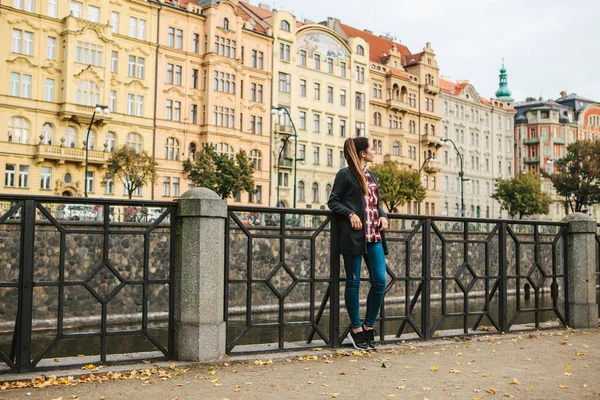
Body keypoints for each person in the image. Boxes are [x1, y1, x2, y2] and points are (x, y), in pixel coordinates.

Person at [328, 137, 388, 350]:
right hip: (354, 237)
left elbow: (375, 203)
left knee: (380, 281)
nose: (374, 151)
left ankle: (369, 325)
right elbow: (333, 201)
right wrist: (351, 214)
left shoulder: (372, 176)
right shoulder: (345, 175)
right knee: (353, 283)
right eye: (372, 149)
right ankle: (356, 330)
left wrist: (383, 215)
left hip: (375, 236)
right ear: (363, 153)